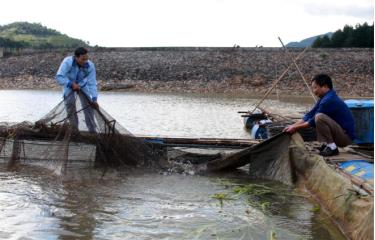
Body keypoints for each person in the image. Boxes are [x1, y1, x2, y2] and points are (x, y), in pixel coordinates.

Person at [284, 74, 355, 156]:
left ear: (325, 86)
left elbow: (312, 121)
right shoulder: (324, 98)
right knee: (318, 116)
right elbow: (309, 114)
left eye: (315, 88)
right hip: (339, 134)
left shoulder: (329, 100)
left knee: (319, 117)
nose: (314, 91)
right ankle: (327, 144)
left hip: (345, 138)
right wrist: (293, 125)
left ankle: (332, 148)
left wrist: (295, 128)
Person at [56, 47, 99, 132]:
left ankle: (92, 131)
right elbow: (59, 77)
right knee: (70, 103)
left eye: (86, 59)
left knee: (89, 105)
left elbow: (92, 83)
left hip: (82, 85)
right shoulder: (67, 62)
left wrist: (94, 98)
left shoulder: (90, 66)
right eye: (83, 59)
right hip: (68, 84)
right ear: (76, 57)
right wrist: (71, 84)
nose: (85, 61)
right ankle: (74, 130)